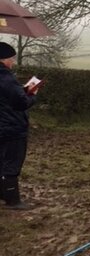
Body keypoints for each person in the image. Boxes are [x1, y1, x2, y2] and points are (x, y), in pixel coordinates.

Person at [0, 42, 38, 210]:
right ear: (3, 59)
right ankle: (13, 200)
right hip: (12, 128)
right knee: (12, 163)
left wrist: (20, 90)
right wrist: (32, 94)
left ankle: (3, 194)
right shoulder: (6, 77)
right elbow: (21, 103)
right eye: (11, 59)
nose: (12, 62)